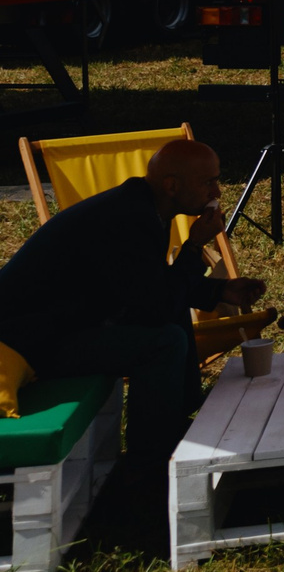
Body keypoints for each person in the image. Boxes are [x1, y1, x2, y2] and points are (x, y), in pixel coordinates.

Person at [0, 138, 262, 470]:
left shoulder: (146, 207)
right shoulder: (126, 219)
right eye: (207, 181)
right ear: (171, 185)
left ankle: (178, 424)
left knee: (172, 315)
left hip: (62, 326)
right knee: (164, 342)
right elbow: (155, 306)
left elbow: (145, 285)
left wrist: (219, 292)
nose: (217, 191)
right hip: (28, 343)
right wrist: (194, 246)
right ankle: (149, 463)